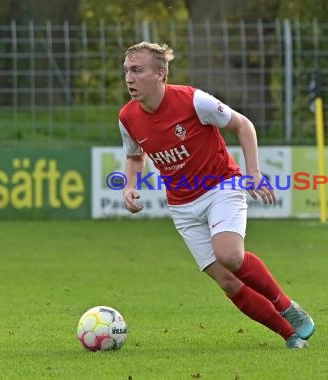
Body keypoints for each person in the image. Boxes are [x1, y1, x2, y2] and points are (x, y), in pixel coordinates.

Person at [117, 41, 314, 349]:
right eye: (126, 70)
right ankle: (289, 334)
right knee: (227, 281)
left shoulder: (194, 101)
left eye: (137, 70)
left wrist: (254, 172)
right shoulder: (128, 117)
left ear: (160, 74)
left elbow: (243, 125)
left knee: (230, 255)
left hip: (221, 185)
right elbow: (134, 157)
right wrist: (130, 186)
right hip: (182, 206)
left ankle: (287, 306)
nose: (129, 77)